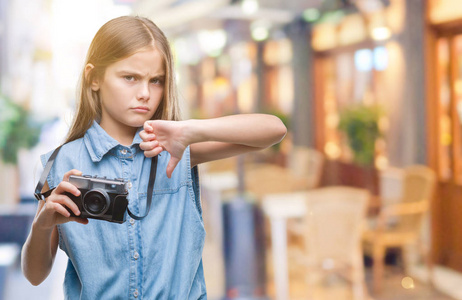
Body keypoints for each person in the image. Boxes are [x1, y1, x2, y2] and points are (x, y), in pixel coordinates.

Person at [21, 16, 286, 299]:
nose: (145, 93)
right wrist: (42, 225)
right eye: (130, 78)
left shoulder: (177, 148)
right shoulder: (58, 163)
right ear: (94, 77)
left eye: (156, 81)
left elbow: (273, 130)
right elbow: (35, 276)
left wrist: (189, 130)